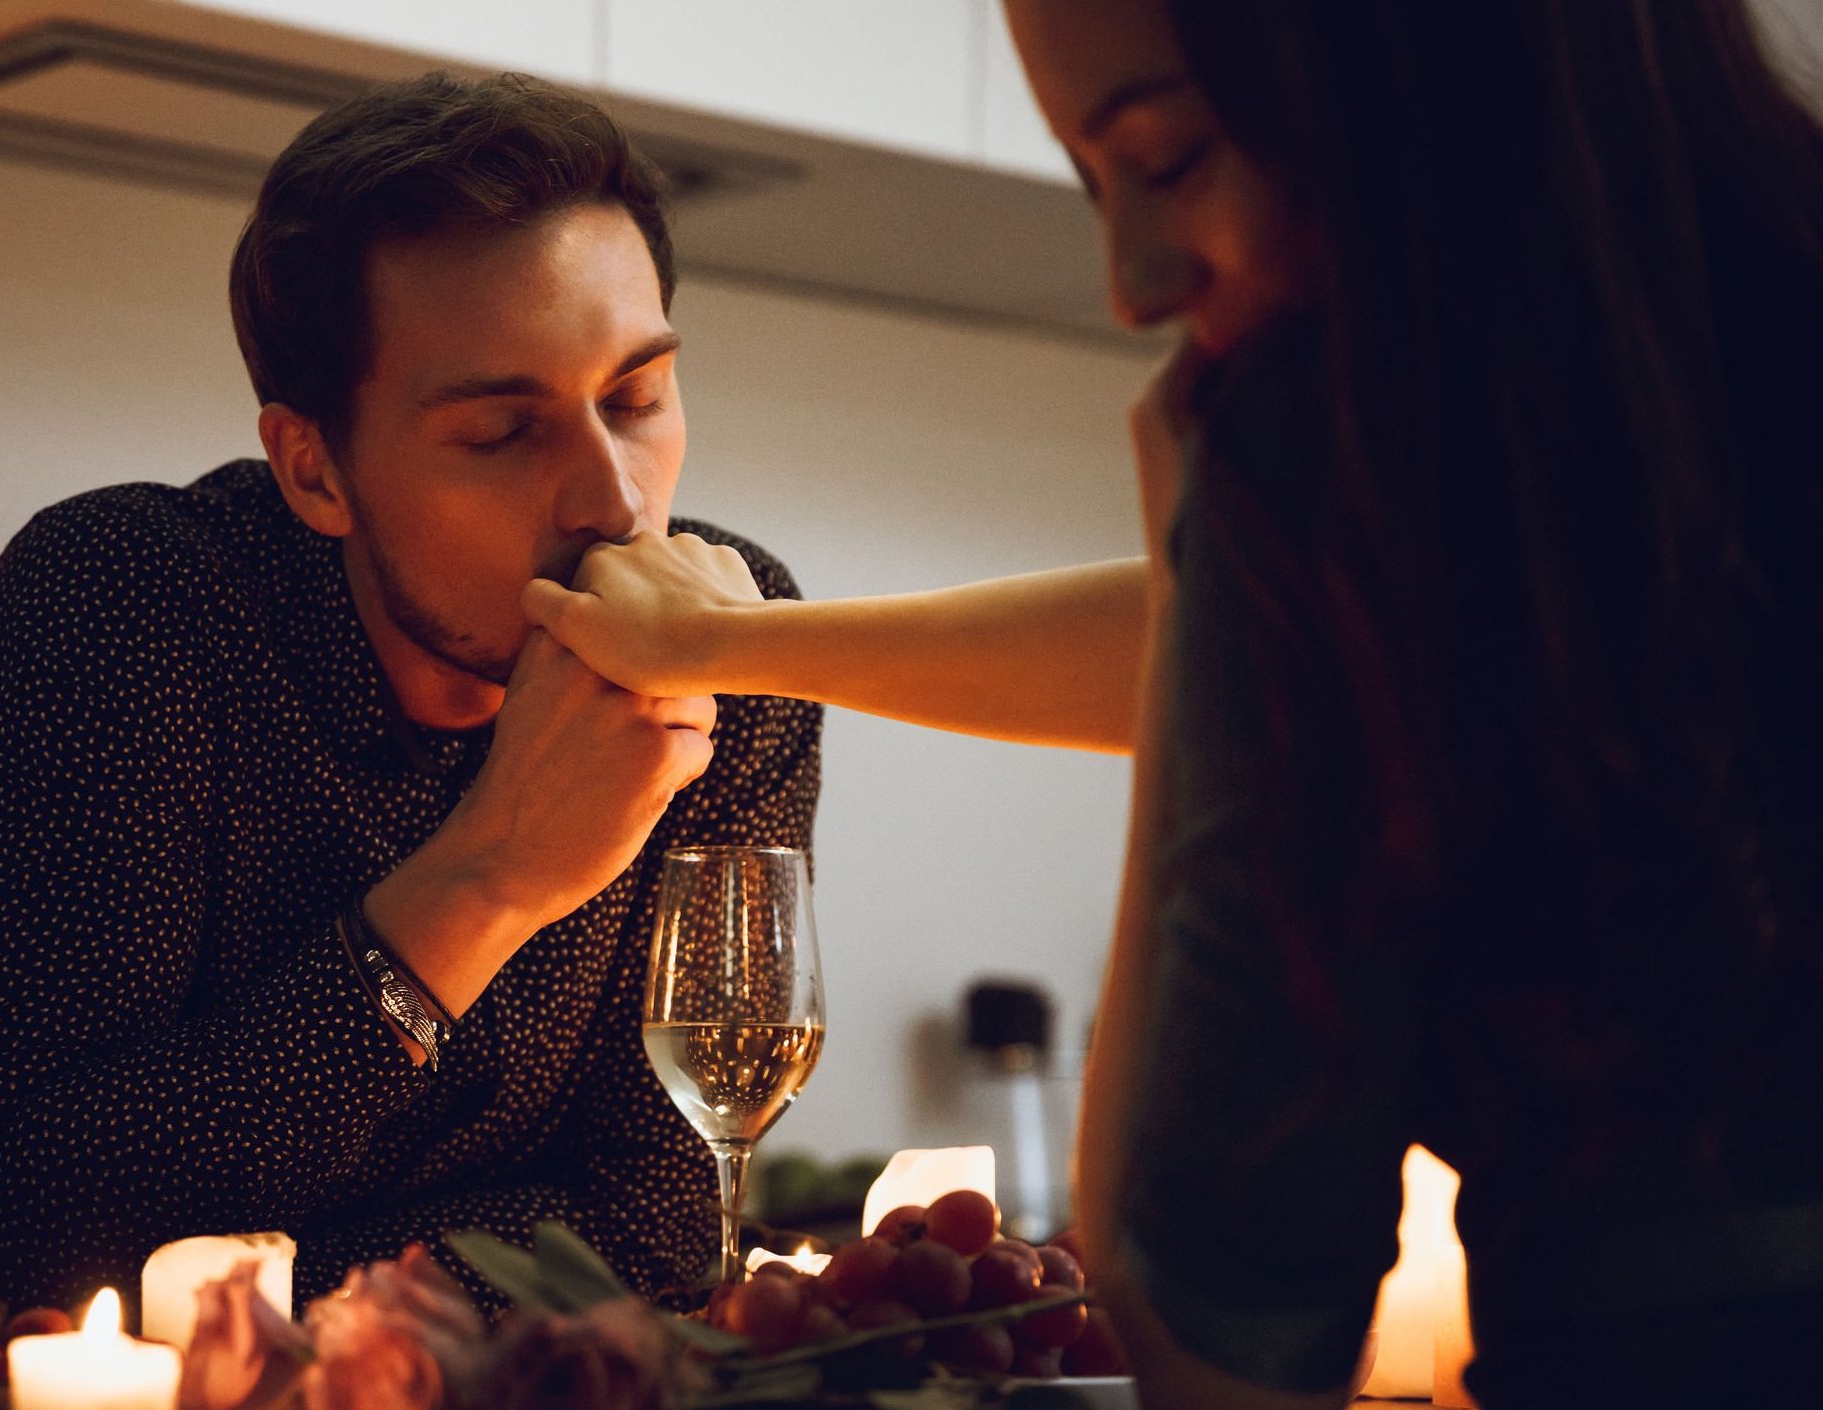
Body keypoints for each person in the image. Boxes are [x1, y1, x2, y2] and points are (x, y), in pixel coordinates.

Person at [527, 1, 1823, 1405]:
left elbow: (1215, 1343)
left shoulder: (1319, 478)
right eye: (1098, 184)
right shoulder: (1691, 383)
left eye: (1172, 157)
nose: (1133, 284)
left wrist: (1213, 540)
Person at [0, 73, 829, 1315]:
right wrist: (489, 877)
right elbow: (21, 1231)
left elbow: (668, 1221)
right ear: (315, 470)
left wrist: (259, 1262)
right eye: (503, 433)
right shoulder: (123, 605)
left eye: (636, 398)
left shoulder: (734, 659)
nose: (612, 501)